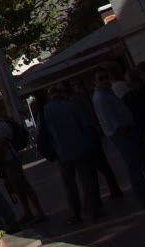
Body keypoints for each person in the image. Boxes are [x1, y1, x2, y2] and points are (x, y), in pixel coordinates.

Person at [93, 70, 145, 207]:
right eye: (101, 78)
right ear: (95, 82)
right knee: (133, 165)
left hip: (126, 131)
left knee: (137, 164)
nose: (104, 80)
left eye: (106, 77)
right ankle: (144, 198)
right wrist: (124, 131)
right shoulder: (101, 98)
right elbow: (110, 119)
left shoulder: (107, 93)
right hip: (122, 133)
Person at [42, 84, 103, 225]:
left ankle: (75, 214)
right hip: (80, 148)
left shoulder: (46, 110)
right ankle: (93, 209)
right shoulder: (72, 106)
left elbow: (44, 133)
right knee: (86, 181)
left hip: (61, 152)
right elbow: (86, 125)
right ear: (62, 93)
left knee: (69, 185)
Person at [0, 100, 44, 224]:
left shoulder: (1, 126)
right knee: (18, 188)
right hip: (7, 161)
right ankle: (27, 211)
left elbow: (2, 144)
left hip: (11, 160)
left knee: (24, 185)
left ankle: (39, 211)